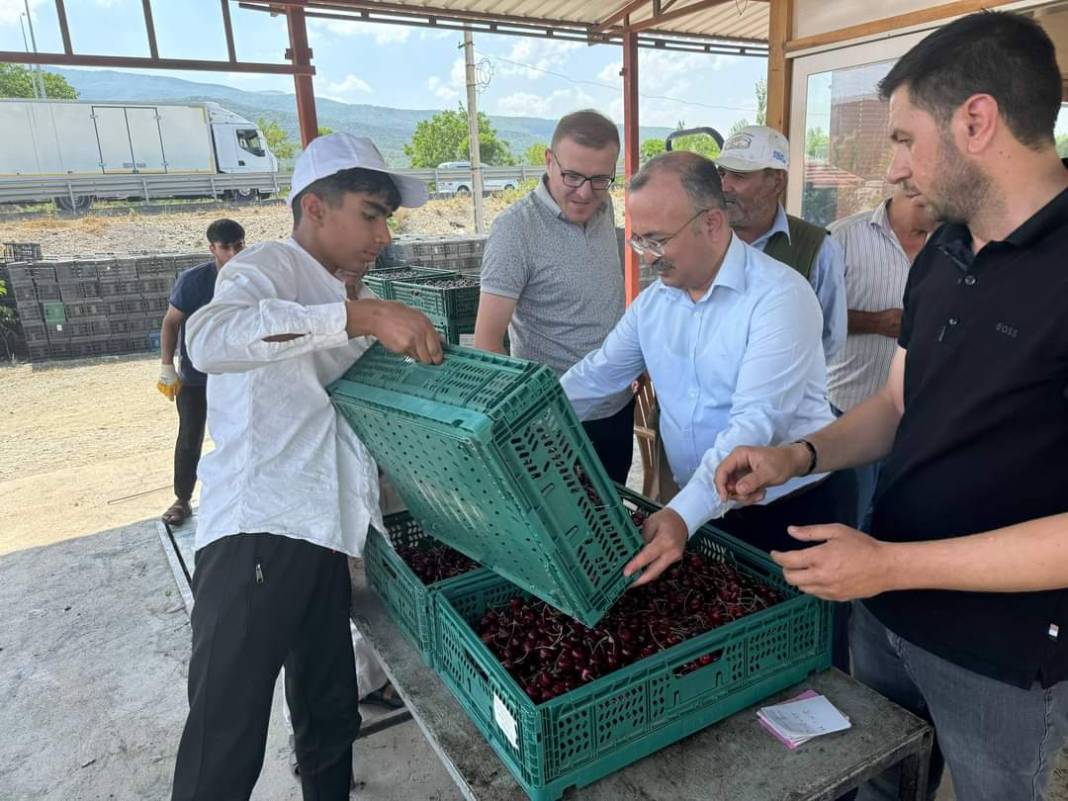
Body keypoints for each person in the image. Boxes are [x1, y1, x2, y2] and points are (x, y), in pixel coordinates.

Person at [713, 12, 1068, 801]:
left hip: (1000, 656)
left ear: (976, 120)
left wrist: (891, 563)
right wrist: (798, 455)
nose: (895, 167)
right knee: (875, 784)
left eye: (905, 138)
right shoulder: (945, 249)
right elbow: (898, 402)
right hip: (883, 609)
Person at [170, 133, 443, 801]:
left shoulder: (336, 293)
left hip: (323, 539)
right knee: (224, 741)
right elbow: (208, 338)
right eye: (370, 213)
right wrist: (359, 314)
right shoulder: (271, 266)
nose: (382, 232)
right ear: (316, 208)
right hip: (257, 536)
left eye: (387, 218)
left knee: (328, 715)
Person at [559, 150, 855, 579]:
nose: (646, 256)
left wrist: (682, 514)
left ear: (712, 224)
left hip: (791, 510)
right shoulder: (654, 305)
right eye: (638, 240)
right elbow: (596, 376)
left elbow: (755, 424)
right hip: (704, 506)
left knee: (788, 632)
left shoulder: (778, 297)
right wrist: (520, 416)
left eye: (657, 240)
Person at [475, 109, 634, 483]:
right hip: (554, 423)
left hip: (616, 407)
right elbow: (486, 342)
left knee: (615, 523)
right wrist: (530, 422)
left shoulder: (601, 203)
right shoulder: (515, 231)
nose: (584, 193)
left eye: (599, 179)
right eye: (572, 176)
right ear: (549, 160)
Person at [826, 182, 934, 530]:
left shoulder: (957, 244)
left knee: (899, 520)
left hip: (921, 420)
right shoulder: (841, 238)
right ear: (913, 188)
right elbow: (811, 316)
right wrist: (877, 321)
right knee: (849, 519)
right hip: (849, 410)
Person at [715, 125, 847, 362]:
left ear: (777, 181)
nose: (725, 186)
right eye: (722, 173)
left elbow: (830, 339)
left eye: (740, 175)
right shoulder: (703, 238)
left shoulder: (818, 250)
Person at [157, 218, 245, 526]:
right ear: (212, 249)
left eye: (239, 246)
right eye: (226, 247)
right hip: (196, 377)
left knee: (241, 434)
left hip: (236, 377)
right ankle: (182, 499)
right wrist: (168, 366)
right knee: (190, 436)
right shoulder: (194, 281)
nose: (233, 254)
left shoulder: (250, 279)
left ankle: (240, 496)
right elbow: (171, 322)